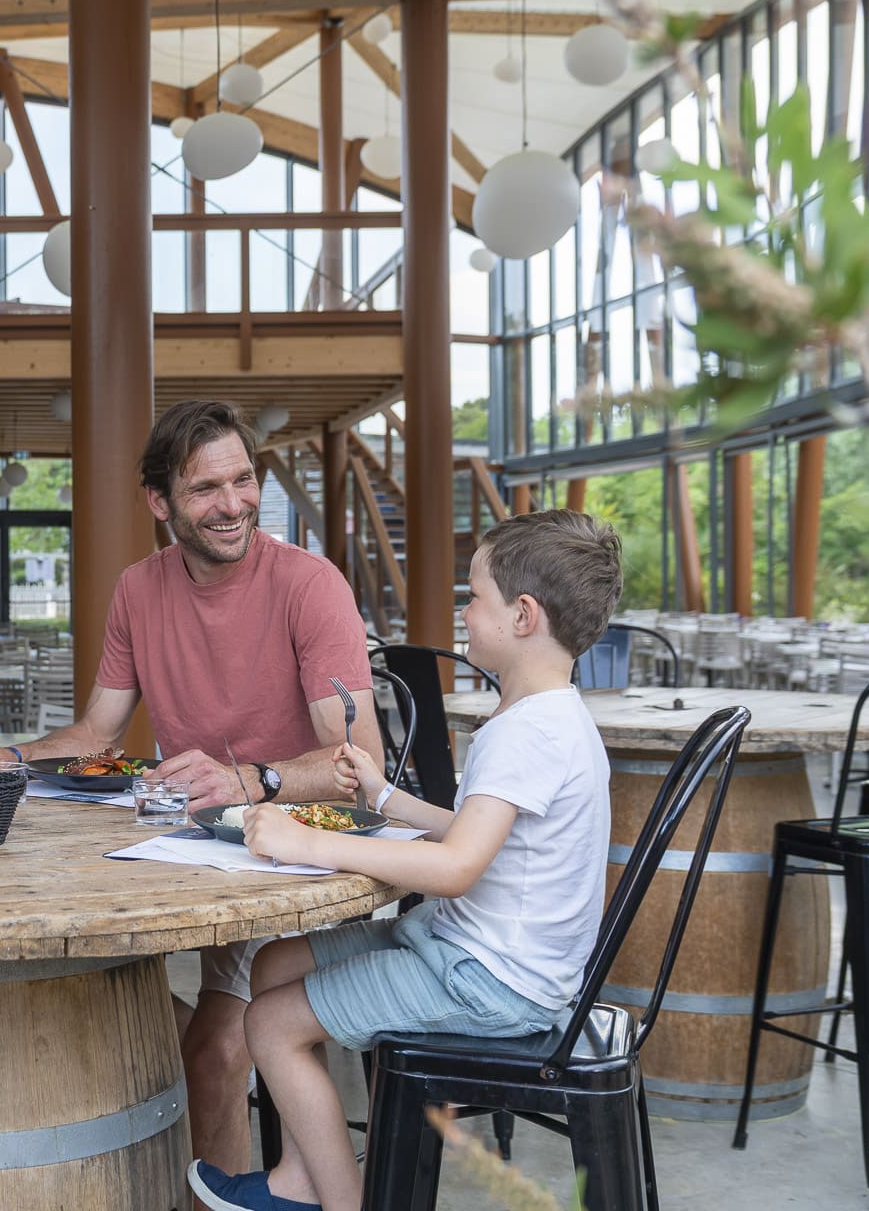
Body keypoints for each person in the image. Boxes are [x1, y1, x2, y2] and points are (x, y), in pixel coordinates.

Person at [0, 399, 385, 1181]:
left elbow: (360, 765)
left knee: (213, 1051)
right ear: (160, 503)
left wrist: (250, 779)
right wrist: (10, 756)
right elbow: (97, 735)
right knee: (80, 995)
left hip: (297, 861)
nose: (233, 504)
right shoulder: (138, 589)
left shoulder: (309, 584)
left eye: (243, 480)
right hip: (200, 853)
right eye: (204, 489)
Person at [189, 509, 623, 1211]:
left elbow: (456, 868)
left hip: (491, 982)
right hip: (484, 957)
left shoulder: (527, 734)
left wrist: (306, 841)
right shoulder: (553, 715)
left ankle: (338, 1200)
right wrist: (385, 797)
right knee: (276, 962)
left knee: (268, 1023)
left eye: (473, 596)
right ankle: (299, 1177)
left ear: (522, 615)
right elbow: (480, 833)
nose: (463, 611)